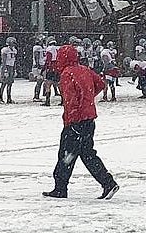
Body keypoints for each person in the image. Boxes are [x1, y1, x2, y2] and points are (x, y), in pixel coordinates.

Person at [43, 44, 119, 200]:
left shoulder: (67, 74)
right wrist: (88, 99)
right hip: (89, 118)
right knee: (88, 154)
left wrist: (70, 119)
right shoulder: (84, 69)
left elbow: (70, 100)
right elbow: (100, 83)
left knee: (66, 155)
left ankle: (60, 188)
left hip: (75, 121)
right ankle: (108, 182)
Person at [0, 36, 18, 104]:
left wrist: (14, 69)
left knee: (10, 84)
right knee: (3, 83)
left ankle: (9, 98)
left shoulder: (14, 50)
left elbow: (14, 61)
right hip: (6, 67)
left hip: (11, 67)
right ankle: (0, 98)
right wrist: (5, 71)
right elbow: (4, 61)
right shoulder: (5, 50)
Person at [31, 36, 46, 101]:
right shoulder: (37, 47)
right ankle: (36, 96)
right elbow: (36, 57)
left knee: (42, 81)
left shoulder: (43, 47)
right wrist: (38, 66)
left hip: (42, 65)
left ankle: (38, 95)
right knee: (39, 81)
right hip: (39, 65)